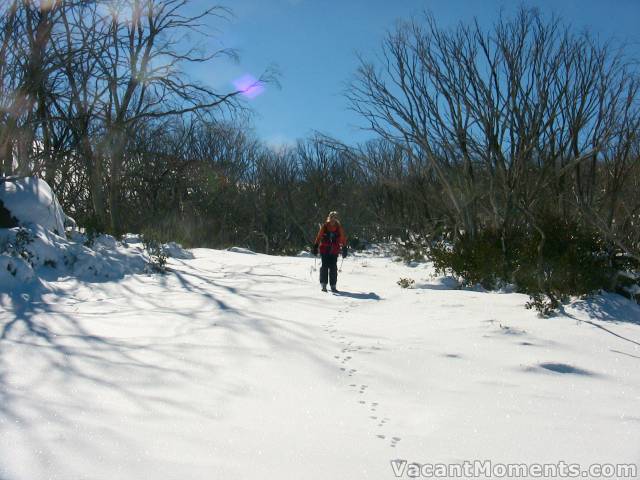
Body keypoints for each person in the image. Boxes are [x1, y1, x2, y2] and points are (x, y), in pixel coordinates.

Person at [312, 211, 348, 292]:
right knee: (324, 267)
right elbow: (319, 237)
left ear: (336, 219)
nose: (333, 219)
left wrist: (344, 248)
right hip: (324, 250)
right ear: (329, 218)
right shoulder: (324, 226)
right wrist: (315, 246)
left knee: (333, 268)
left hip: (334, 251)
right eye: (332, 217)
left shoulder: (339, 227)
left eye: (334, 217)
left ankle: (333, 286)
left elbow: (342, 238)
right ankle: (323, 285)